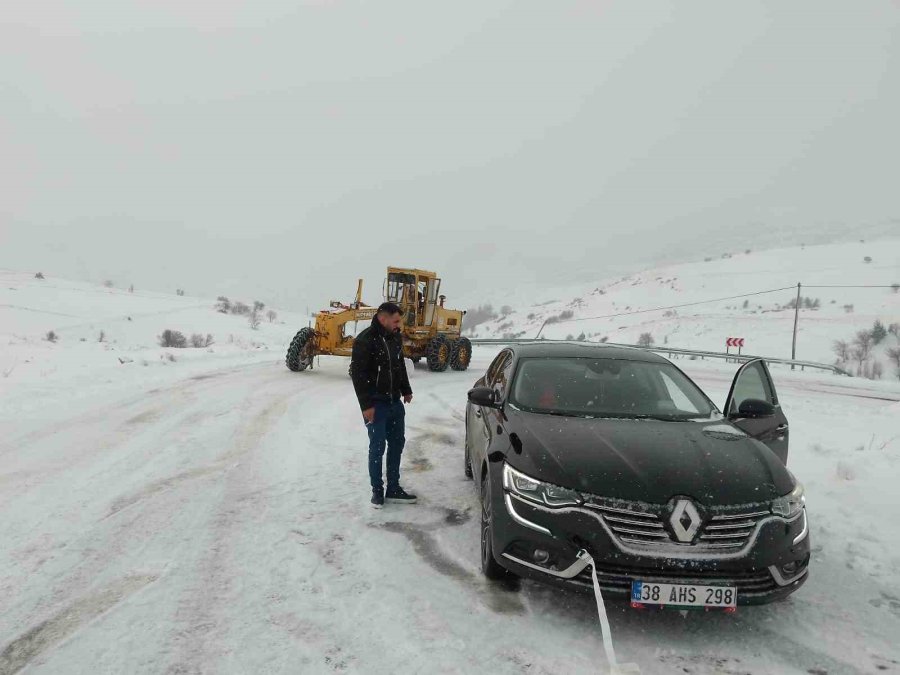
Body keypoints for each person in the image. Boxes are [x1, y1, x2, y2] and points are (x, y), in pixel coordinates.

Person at [350, 302, 416, 508]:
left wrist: (406, 389)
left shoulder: (395, 337)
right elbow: (358, 375)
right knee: (377, 447)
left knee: (397, 444)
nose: (399, 325)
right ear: (382, 318)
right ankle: (377, 491)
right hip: (376, 404)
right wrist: (366, 406)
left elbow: (399, 366)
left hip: (394, 402)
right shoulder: (365, 340)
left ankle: (393, 488)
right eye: (395, 321)